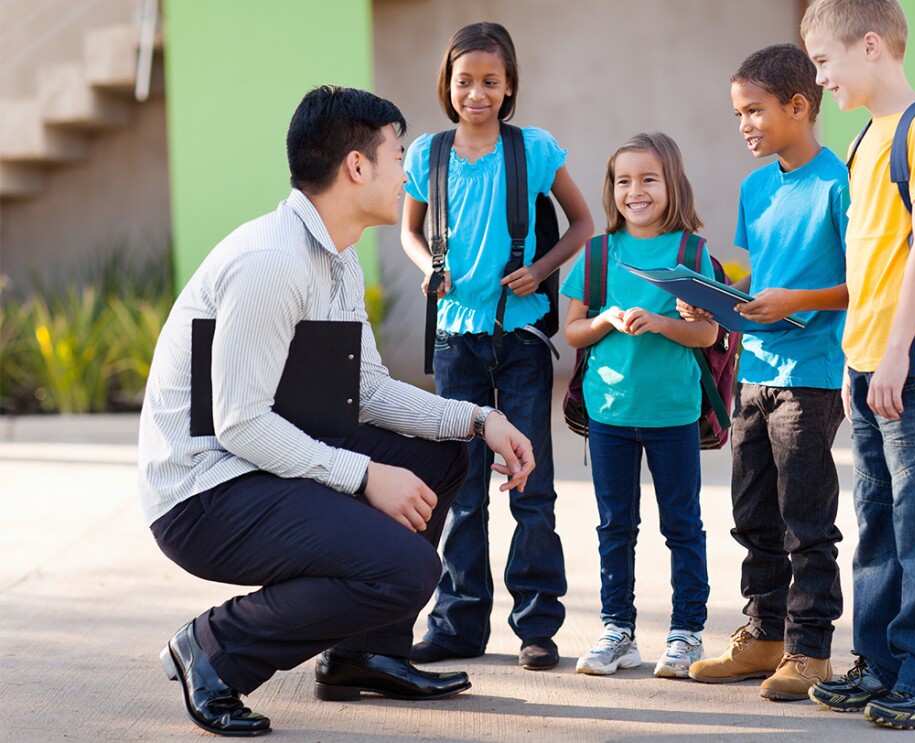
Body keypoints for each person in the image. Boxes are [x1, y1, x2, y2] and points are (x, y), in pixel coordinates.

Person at [139, 85, 537, 738]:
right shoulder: (272, 261)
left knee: (443, 450)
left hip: (259, 461)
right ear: (357, 167)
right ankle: (214, 647)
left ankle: (364, 653)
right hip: (202, 492)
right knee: (408, 569)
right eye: (399, 154)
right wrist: (363, 474)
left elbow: (369, 389)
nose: (409, 171)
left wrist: (478, 418)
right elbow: (238, 421)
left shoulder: (336, 255)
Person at [802, 0, 915, 729]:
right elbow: (869, 263)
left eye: (823, 62)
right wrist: (857, 361)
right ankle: (882, 664)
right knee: (879, 520)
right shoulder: (865, 137)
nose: (819, 80)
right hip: (872, 363)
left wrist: (897, 352)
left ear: (870, 45)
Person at [400, 21, 593, 671]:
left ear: (509, 87)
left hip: (521, 339)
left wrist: (541, 270)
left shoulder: (533, 150)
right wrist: (428, 262)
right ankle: (458, 623)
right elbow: (408, 232)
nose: (476, 93)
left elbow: (583, 222)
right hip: (457, 338)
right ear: (447, 86)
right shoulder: (427, 154)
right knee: (463, 485)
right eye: (464, 81)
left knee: (529, 483)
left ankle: (537, 624)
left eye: (490, 81)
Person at [681, 44, 850, 702]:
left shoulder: (839, 181)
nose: (745, 124)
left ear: (799, 107)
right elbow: (763, 282)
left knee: (805, 517)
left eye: (754, 111)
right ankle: (765, 634)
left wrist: (792, 301)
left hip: (813, 372)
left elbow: (863, 283)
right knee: (753, 511)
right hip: (755, 371)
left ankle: (811, 648)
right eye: (738, 113)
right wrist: (718, 297)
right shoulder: (756, 187)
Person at [561, 132, 718, 679]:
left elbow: (708, 337)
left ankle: (687, 633)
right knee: (615, 527)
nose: (635, 190)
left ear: (671, 183)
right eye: (623, 181)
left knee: (682, 525)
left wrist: (663, 322)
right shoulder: (598, 253)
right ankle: (617, 631)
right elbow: (574, 333)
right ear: (612, 190)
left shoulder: (693, 253)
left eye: (648, 178)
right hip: (609, 415)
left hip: (673, 412)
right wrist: (605, 319)